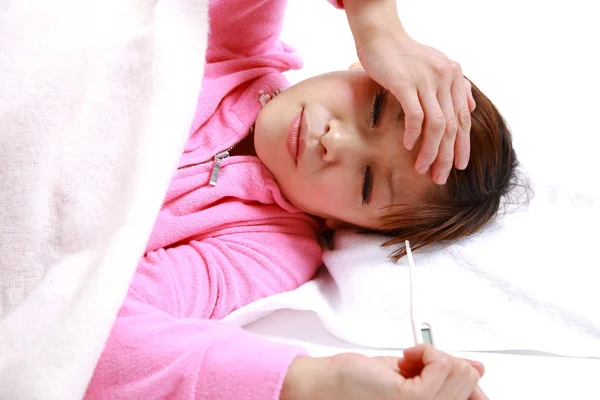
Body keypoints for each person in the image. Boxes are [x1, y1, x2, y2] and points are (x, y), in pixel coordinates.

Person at [85, 0, 519, 399]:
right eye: (373, 112)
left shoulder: (263, 251)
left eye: (367, 183)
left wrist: (319, 383)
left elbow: (89, 330)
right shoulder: (234, 40)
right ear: (365, 68)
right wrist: (377, 23)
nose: (336, 141)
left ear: (344, 225)